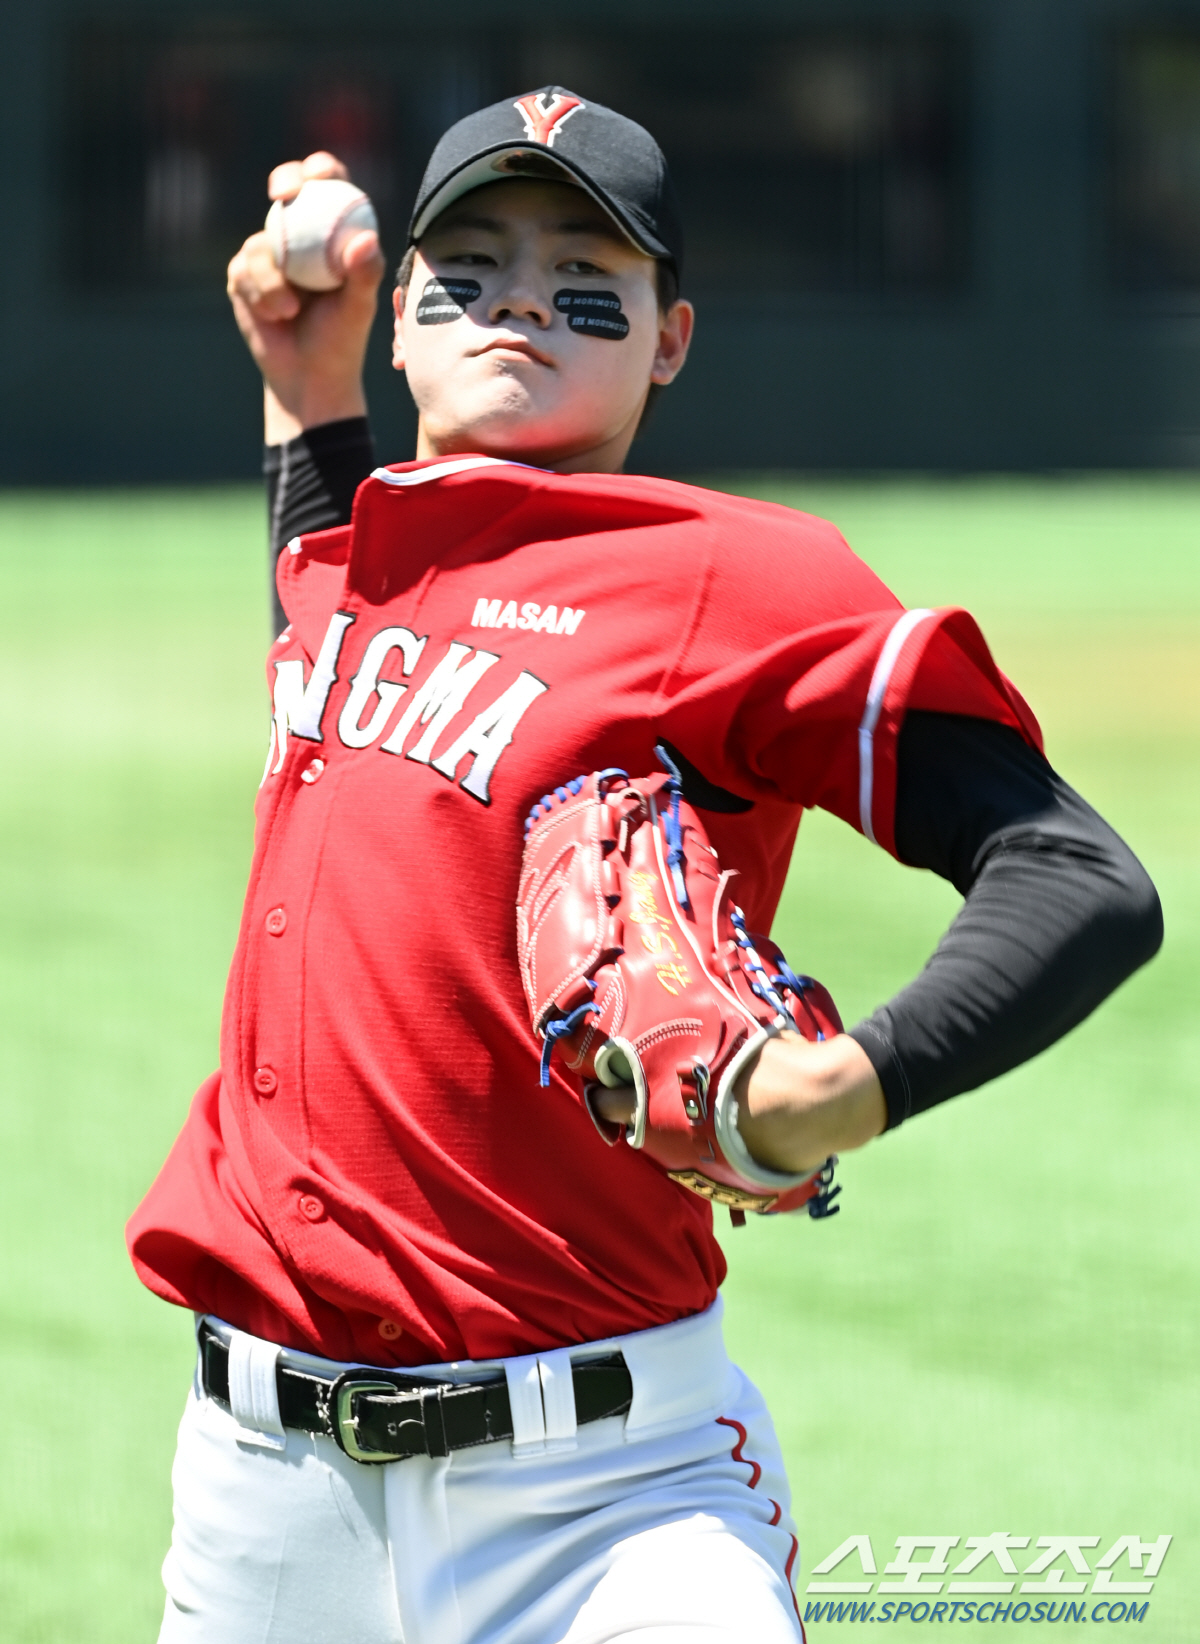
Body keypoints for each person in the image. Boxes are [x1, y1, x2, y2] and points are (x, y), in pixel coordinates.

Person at [128, 89, 1162, 1644]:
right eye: (468, 265)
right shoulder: (366, 560)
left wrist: (855, 1082)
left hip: (608, 1499)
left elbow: (1076, 873)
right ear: (404, 313)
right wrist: (307, 392)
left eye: (584, 274)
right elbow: (332, 624)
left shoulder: (739, 579)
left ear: (670, 340)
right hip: (264, 1498)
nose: (524, 296)